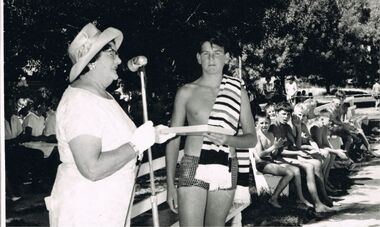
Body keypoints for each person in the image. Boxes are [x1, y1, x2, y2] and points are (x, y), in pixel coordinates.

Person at [44, 23, 174, 227]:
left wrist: (153, 135)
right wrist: (136, 145)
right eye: (112, 53)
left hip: (109, 208)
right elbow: (92, 168)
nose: (120, 60)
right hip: (86, 210)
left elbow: (119, 143)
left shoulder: (105, 97)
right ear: (92, 61)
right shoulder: (80, 100)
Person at [165, 30, 257, 226]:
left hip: (226, 166)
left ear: (227, 57)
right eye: (206, 53)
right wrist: (170, 185)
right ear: (199, 58)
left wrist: (228, 140)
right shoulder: (186, 92)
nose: (211, 58)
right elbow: (173, 140)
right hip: (193, 165)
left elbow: (251, 138)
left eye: (216, 53)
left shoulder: (237, 92)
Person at [269, 102, 333, 213]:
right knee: (309, 166)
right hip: (277, 157)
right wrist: (298, 153)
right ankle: (316, 201)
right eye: (283, 114)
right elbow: (279, 151)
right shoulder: (275, 127)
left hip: (289, 154)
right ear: (277, 114)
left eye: (288, 115)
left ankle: (321, 197)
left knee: (316, 163)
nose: (286, 117)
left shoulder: (286, 126)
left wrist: (298, 128)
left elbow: (296, 145)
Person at [254, 112, 312, 208]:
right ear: (256, 124)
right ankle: (274, 198)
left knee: (296, 170)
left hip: (270, 161)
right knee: (289, 173)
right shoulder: (257, 135)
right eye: (262, 123)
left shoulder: (271, 134)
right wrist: (274, 147)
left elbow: (274, 154)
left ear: (270, 123)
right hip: (262, 163)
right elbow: (260, 154)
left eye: (267, 123)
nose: (265, 125)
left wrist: (276, 148)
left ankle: (300, 198)